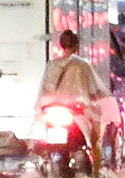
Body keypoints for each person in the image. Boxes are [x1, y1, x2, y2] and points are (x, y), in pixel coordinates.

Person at [37, 29, 110, 162]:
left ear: (61, 45)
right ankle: (96, 165)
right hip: (76, 111)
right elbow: (93, 89)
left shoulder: (52, 64)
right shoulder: (83, 66)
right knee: (94, 137)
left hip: (52, 110)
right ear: (77, 46)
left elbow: (45, 89)